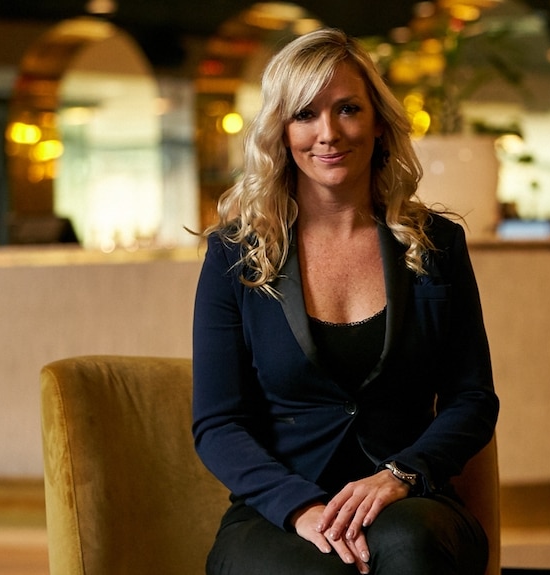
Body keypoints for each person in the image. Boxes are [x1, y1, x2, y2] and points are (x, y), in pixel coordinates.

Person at [192, 28, 499, 575]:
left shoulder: (437, 245)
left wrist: (401, 474)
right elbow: (218, 423)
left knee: (410, 550)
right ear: (281, 131)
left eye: (348, 109)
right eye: (305, 114)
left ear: (379, 122)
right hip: (278, 513)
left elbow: (472, 399)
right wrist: (301, 508)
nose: (328, 133)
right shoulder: (234, 256)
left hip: (410, 502)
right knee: (312, 569)